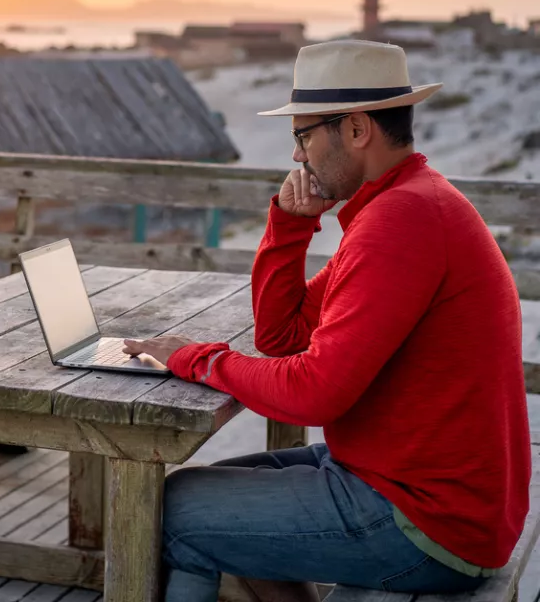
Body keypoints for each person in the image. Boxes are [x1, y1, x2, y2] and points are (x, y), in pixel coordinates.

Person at [121, 40, 531, 602]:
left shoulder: (401, 220)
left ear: (357, 129)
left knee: (174, 514)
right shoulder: (401, 206)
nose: (298, 156)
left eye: (304, 135)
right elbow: (282, 337)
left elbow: (314, 394)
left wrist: (193, 357)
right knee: (184, 497)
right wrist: (290, 226)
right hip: (408, 483)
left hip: (427, 520)